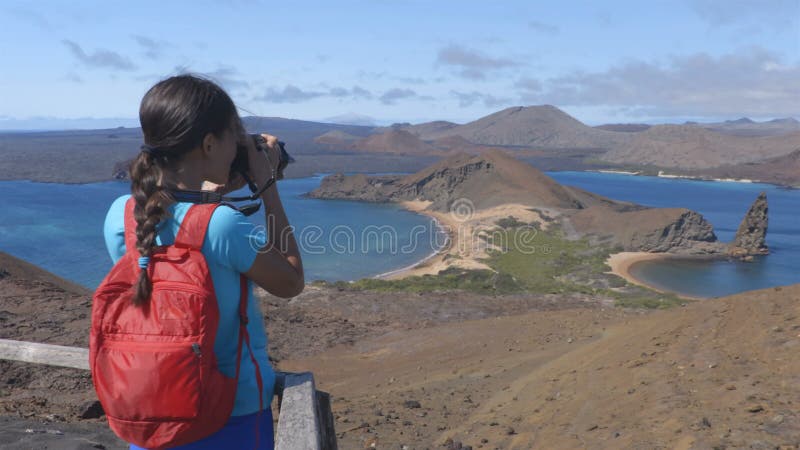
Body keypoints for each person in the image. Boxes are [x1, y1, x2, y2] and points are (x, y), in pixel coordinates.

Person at [102, 74, 304, 449]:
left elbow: (178, 229)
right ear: (209, 143)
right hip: (230, 413)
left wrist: (208, 191)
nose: (238, 145)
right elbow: (291, 281)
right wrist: (267, 186)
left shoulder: (121, 216)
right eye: (234, 136)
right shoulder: (224, 225)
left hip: (151, 409)